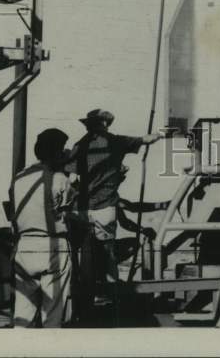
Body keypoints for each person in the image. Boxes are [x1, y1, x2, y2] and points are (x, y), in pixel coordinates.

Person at [67, 108, 161, 321]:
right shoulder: (116, 141)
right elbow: (146, 139)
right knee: (107, 256)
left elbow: (72, 180)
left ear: (88, 125)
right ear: (106, 124)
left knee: (84, 259)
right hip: (105, 207)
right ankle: (112, 302)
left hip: (81, 209)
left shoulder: (79, 146)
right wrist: (161, 134)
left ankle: (85, 306)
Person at [8, 127, 75, 328]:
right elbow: (68, 207)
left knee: (23, 312)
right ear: (56, 152)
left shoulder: (18, 178)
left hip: (24, 247)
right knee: (52, 313)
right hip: (52, 246)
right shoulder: (60, 179)